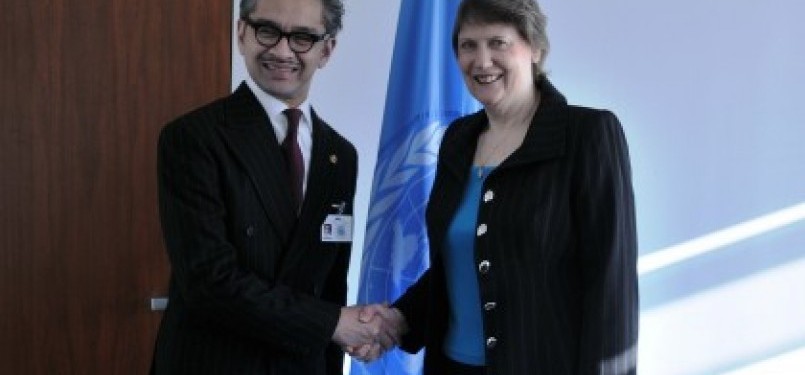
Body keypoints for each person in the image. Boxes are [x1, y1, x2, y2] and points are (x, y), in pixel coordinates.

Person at [356, 0, 639, 373]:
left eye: (498, 42)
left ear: (535, 48)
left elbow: (611, 288)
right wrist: (396, 319)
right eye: (468, 45)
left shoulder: (587, 135)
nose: (482, 60)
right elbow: (458, 264)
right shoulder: (458, 140)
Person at [150, 0, 398, 374]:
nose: (282, 51)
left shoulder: (340, 155)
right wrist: (333, 324)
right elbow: (209, 282)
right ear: (241, 34)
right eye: (267, 30)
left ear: (326, 50)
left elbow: (330, 284)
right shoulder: (193, 138)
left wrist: (349, 335)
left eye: (302, 37)